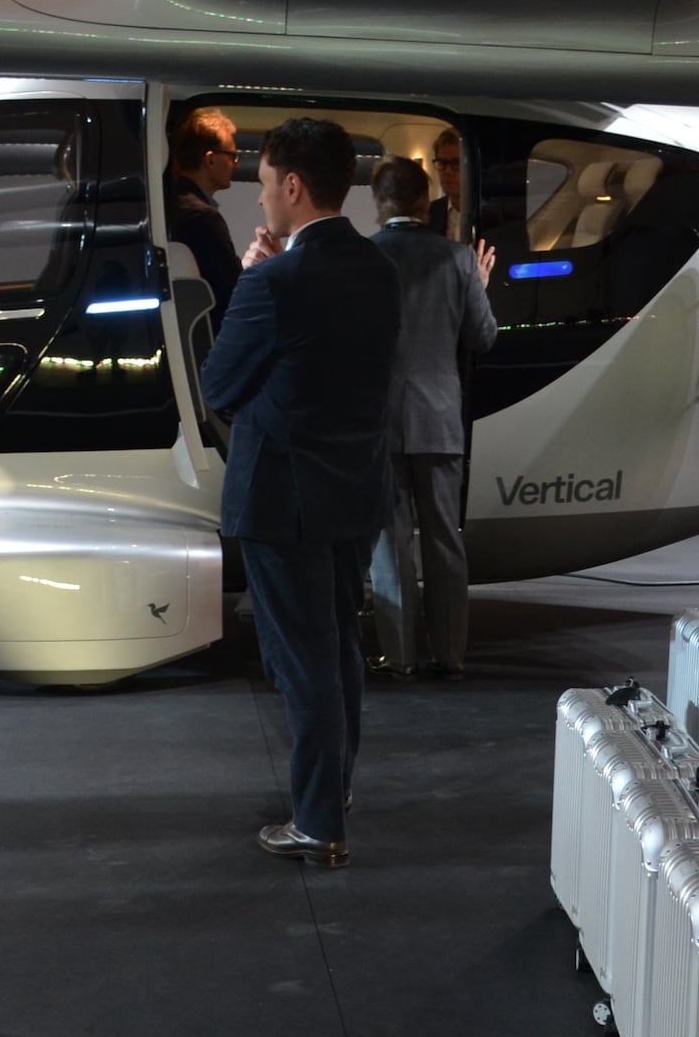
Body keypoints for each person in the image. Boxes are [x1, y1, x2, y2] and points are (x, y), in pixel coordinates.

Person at [201, 118, 401, 868]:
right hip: (355, 489)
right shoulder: (379, 269)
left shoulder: (273, 280)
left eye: (262, 186)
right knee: (340, 644)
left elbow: (220, 385)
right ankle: (333, 788)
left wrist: (254, 278)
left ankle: (318, 821)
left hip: (282, 496)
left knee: (304, 660)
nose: (259, 202)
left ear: (292, 186)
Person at [366, 156, 495, 679]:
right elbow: (482, 339)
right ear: (425, 201)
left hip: (379, 421)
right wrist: (478, 289)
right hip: (439, 419)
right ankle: (451, 654)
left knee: (390, 542)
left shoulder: (363, 257)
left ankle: (399, 658)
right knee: (444, 539)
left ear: (379, 204)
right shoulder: (459, 259)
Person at [164, 108, 242, 332]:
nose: (235, 164)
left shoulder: (171, 204)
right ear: (210, 160)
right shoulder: (203, 218)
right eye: (231, 156)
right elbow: (232, 294)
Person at [427, 131, 466, 238]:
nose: (447, 172)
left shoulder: (491, 213)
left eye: (456, 163)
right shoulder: (429, 212)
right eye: (442, 163)